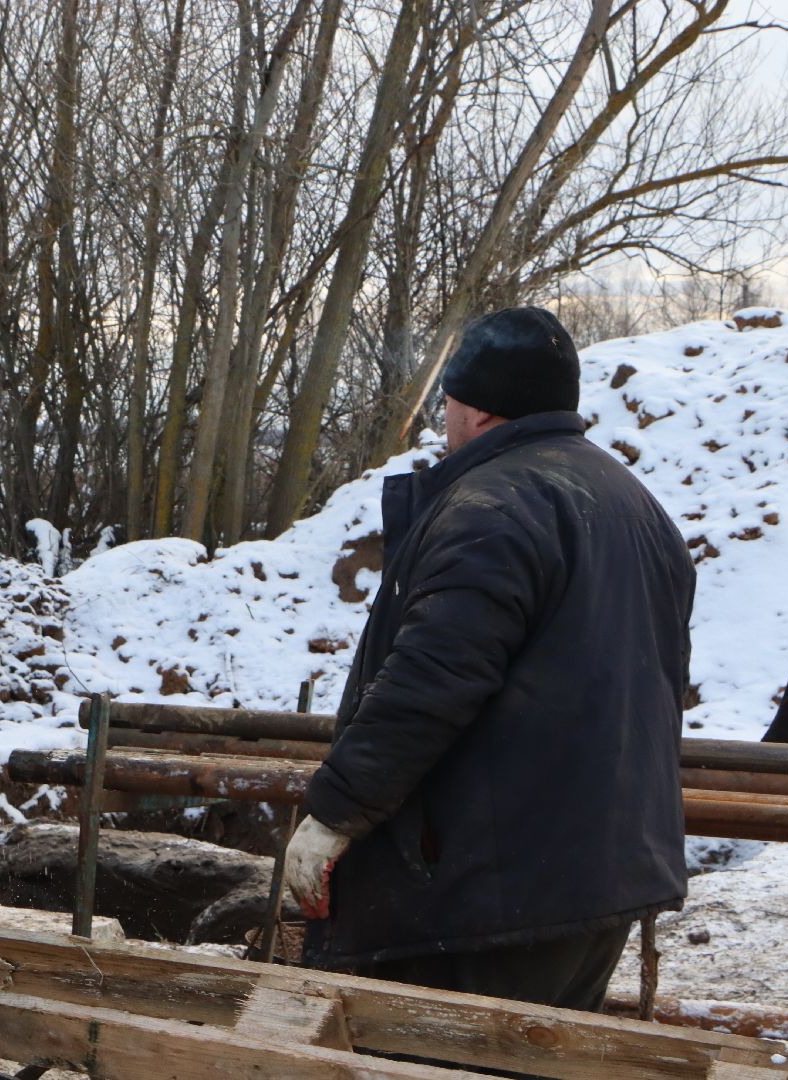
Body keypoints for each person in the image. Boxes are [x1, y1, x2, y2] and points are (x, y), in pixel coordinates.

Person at [284, 306, 696, 1011]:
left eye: (448, 399)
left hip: (488, 894)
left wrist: (335, 814)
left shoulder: (492, 508)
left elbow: (432, 682)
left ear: (474, 408)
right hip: (598, 876)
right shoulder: (634, 504)